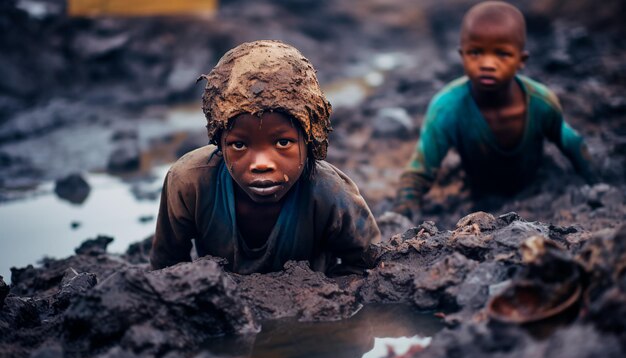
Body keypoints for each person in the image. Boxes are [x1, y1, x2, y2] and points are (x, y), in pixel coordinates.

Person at [150, 40, 381, 275]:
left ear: (310, 139)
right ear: (218, 141)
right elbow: (165, 272)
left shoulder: (330, 193)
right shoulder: (189, 182)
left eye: (283, 143)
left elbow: (370, 268)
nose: (261, 163)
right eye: (239, 144)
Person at [393, 1, 595, 220]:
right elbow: (421, 168)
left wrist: (597, 186)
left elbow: (572, 143)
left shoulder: (541, 103)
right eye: (476, 52)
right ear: (462, 55)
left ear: (521, 60)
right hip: (478, 205)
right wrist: (402, 213)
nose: (488, 63)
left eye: (502, 54)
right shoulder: (446, 108)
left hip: (535, 196)